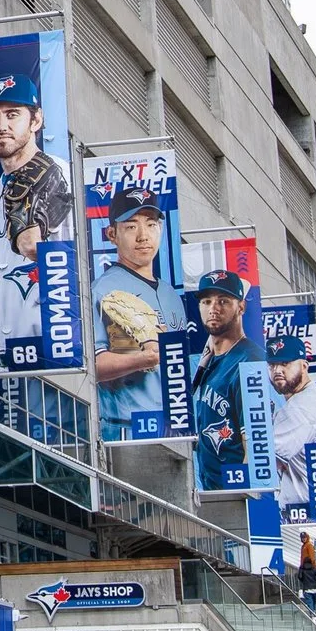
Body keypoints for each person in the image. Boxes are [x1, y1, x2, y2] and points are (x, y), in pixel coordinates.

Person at [0, 69, 74, 367]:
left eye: (13, 114)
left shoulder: (64, 176)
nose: (1, 125)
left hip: (52, 360)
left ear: (36, 120)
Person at [92, 182, 187, 439]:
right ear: (112, 234)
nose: (143, 235)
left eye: (151, 224)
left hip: (177, 425)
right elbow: (92, 365)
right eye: (131, 226)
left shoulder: (172, 296)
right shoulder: (102, 289)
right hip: (127, 427)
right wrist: (141, 359)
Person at [189, 269, 256, 489]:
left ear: (241, 307)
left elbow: (255, 446)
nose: (213, 309)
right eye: (206, 301)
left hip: (234, 495)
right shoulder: (208, 359)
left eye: (224, 301)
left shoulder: (248, 361)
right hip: (210, 493)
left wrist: (244, 497)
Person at [266, 325, 316, 495]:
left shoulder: (302, 406)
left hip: (304, 510)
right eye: (272, 365)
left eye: (285, 363)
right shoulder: (303, 399)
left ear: (304, 366)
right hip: (301, 508)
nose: (277, 370)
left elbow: (265, 459)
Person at [297, 532, 316, 614]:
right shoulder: (304, 546)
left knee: (310, 601)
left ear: (307, 537)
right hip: (305, 568)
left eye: (304, 537)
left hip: (308, 567)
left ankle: (313, 614)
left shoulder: (309, 545)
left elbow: (312, 556)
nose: (303, 539)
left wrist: (312, 565)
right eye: (302, 538)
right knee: (312, 601)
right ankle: (313, 614)